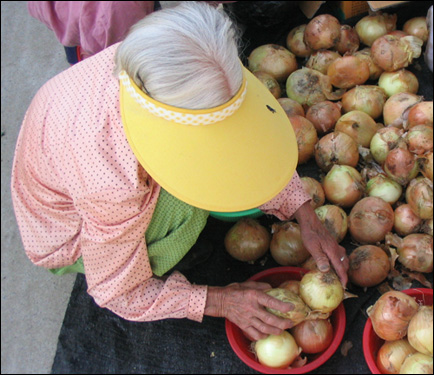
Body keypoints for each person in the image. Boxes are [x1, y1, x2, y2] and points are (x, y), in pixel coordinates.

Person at [12, 2, 348, 341]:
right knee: (188, 206)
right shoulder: (114, 179)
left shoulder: (154, 55)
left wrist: (305, 214)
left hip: (78, 168)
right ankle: (162, 249)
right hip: (70, 232)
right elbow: (116, 293)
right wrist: (220, 300)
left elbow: (241, 139)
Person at [27, 1, 158, 64]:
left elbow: (37, 8)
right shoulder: (116, 9)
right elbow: (125, 48)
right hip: (114, 49)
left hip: (74, 37)